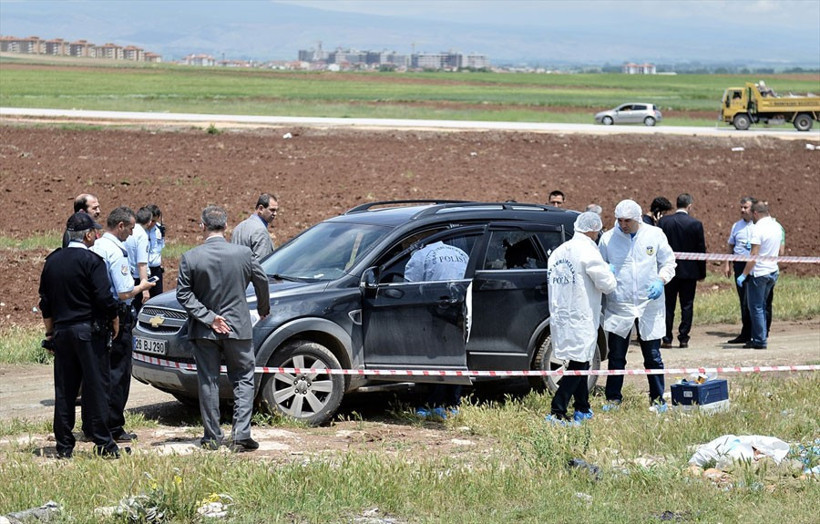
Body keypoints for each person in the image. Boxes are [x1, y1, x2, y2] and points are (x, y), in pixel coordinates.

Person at [177, 205, 271, 451]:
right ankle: (241, 435)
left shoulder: (191, 257)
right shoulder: (244, 254)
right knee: (243, 379)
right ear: (226, 226)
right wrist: (263, 308)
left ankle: (211, 437)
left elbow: (183, 294)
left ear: (202, 226)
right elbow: (262, 281)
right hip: (238, 327)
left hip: (204, 331)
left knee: (208, 381)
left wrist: (208, 317)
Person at [39, 212, 122, 458]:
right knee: (96, 387)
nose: (96, 235)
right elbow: (104, 298)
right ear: (87, 235)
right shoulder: (93, 261)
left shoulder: (52, 261)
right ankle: (104, 445)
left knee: (65, 390)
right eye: (94, 232)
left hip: (62, 333)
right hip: (89, 332)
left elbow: (45, 302)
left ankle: (64, 446)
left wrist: (50, 332)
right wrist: (115, 319)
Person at [599, 199, 676, 411]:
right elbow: (599, 266)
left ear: (638, 218)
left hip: (648, 304)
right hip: (620, 305)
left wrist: (661, 280)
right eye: (620, 220)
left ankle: (657, 399)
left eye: (628, 221)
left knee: (653, 356)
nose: (623, 224)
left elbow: (669, 262)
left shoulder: (654, 235)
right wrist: (607, 270)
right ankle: (613, 398)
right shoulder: (608, 239)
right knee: (616, 357)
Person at [90, 207, 154, 443]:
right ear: (120, 226)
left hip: (97, 317)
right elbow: (125, 292)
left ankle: (95, 424)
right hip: (118, 315)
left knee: (99, 373)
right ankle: (114, 425)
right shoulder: (117, 252)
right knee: (118, 373)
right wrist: (143, 287)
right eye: (130, 227)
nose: (131, 232)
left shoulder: (96, 246)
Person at [545, 212, 616, 424]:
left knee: (580, 361)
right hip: (581, 315)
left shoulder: (558, 252)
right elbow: (608, 285)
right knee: (579, 364)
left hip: (562, 315)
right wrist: (609, 271)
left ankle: (582, 407)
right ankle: (558, 408)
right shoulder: (588, 251)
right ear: (592, 229)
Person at [405, 239, 470, 418]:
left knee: (435, 358)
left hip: (435, 311)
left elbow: (408, 287)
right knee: (455, 357)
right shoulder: (460, 253)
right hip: (460, 309)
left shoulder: (421, 256)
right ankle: (453, 403)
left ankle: (432, 403)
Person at [658, 194, 707, 349]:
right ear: (689, 206)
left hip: (667, 271)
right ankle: (683, 338)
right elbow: (701, 250)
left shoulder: (664, 222)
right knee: (687, 305)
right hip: (689, 273)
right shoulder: (696, 224)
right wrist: (702, 273)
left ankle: (666, 338)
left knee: (668, 305)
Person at [736, 202, 782, 349]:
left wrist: (744, 274)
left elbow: (754, 255)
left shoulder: (758, 229)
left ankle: (759, 340)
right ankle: (761, 336)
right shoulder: (776, 226)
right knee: (762, 305)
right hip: (772, 271)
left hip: (759, 273)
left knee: (755, 307)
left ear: (755, 213)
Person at [724, 197, 757, 344]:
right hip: (739, 265)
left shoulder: (758, 226)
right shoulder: (736, 226)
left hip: (754, 266)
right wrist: (727, 264)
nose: (742, 210)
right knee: (743, 301)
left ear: (753, 209)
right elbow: (730, 246)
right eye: (741, 207)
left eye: (746, 207)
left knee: (754, 301)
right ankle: (745, 333)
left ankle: (758, 332)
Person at [230, 193, 278, 260]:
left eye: (276, 210)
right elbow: (261, 264)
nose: (275, 214)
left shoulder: (238, 227)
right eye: (272, 210)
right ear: (261, 208)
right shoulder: (260, 231)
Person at [125, 206, 153, 312]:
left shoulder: (130, 230)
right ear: (149, 222)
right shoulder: (142, 235)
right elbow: (142, 264)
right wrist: (144, 289)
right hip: (137, 280)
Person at [147, 204, 166, 297]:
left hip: (156, 270)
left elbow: (160, 247)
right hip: (143, 270)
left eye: (154, 221)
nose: (150, 223)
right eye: (149, 220)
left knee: (157, 298)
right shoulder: (139, 230)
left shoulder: (160, 230)